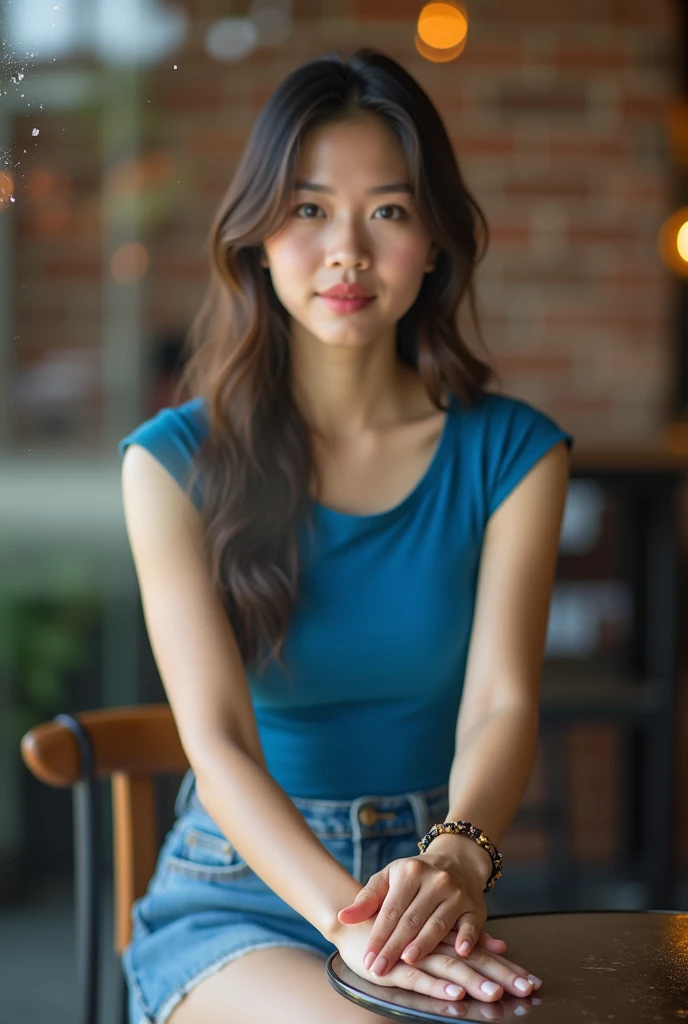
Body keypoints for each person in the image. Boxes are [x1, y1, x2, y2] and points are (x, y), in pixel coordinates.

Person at [118, 47, 573, 1024]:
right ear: (257, 236)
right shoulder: (169, 465)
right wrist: (348, 920)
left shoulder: (515, 455)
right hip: (236, 893)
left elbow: (501, 700)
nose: (348, 252)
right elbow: (219, 740)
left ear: (436, 242)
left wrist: (455, 852)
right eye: (310, 207)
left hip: (435, 879)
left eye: (390, 211)